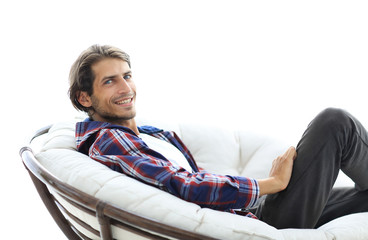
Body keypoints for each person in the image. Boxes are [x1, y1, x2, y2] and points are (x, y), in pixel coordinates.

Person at [68, 44, 368, 229]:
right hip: (261, 224)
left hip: (249, 211)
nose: (125, 88)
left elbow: (189, 178)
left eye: (127, 75)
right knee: (335, 122)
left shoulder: (152, 134)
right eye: (110, 81)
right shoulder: (110, 139)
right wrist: (270, 184)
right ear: (84, 98)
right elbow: (181, 184)